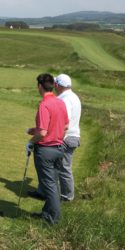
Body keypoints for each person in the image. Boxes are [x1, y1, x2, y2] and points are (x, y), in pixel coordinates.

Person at [25, 73, 69, 224]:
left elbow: (43, 133)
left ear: (39, 86)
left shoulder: (44, 104)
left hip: (46, 151)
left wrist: (31, 142)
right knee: (53, 183)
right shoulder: (60, 102)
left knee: (49, 185)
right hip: (59, 148)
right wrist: (36, 130)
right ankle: (46, 214)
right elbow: (65, 126)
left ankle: (54, 220)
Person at [54, 73, 81, 201]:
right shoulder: (74, 96)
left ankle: (67, 197)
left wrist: (58, 138)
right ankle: (57, 193)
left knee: (64, 167)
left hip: (66, 137)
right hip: (73, 136)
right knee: (60, 166)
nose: (54, 86)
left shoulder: (64, 99)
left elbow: (65, 121)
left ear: (58, 85)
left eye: (55, 84)